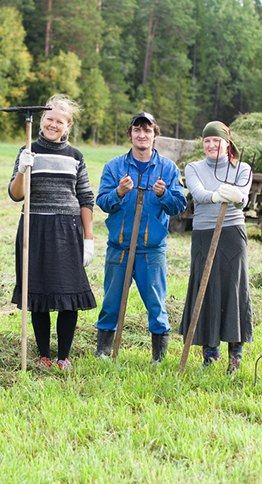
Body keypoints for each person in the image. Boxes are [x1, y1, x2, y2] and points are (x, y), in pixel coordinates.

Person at [7, 95, 96, 370]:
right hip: (34, 228)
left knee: (69, 295)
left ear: (68, 125)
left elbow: (86, 198)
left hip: (67, 230)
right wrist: (23, 169)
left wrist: (89, 239)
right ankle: (44, 355)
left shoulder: (75, 157)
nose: (53, 124)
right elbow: (15, 194)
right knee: (39, 295)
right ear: (41, 121)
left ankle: (63, 357)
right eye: (49, 119)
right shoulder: (27, 150)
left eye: (60, 121)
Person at [94, 112, 187, 363]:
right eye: (137, 130)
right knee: (111, 300)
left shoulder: (167, 168)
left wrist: (164, 195)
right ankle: (103, 351)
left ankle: (158, 357)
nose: (142, 135)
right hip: (120, 247)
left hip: (151, 249)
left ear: (155, 135)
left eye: (147, 130)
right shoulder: (114, 167)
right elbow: (101, 201)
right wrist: (119, 192)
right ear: (130, 134)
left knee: (156, 303)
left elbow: (179, 205)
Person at [179, 121, 254, 373]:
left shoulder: (242, 168)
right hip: (203, 233)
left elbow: (242, 197)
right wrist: (220, 195)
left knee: (233, 288)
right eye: (207, 141)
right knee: (205, 288)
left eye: (216, 140)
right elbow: (198, 194)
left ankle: (236, 356)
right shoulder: (193, 168)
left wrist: (237, 197)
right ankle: (209, 355)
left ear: (227, 142)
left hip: (232, 234)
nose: (211, 145)